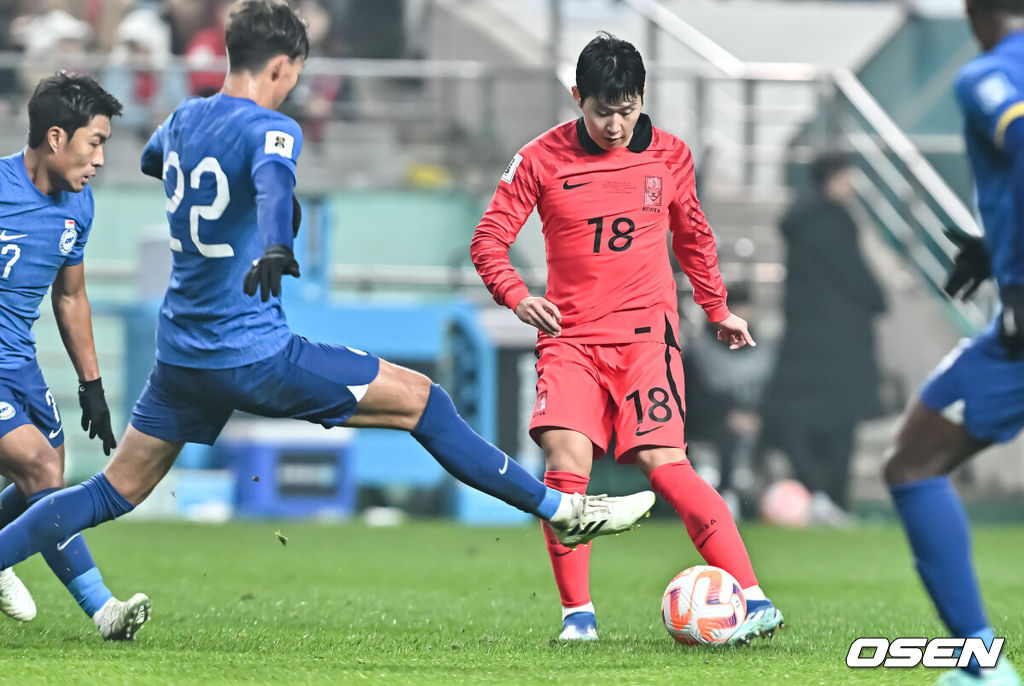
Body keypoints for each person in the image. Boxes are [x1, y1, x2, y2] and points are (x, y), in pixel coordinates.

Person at [0, 1, 656, 627]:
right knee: (424, 402)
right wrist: (278, 240)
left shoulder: (180, 123)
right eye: (296, 75)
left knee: (110, 493)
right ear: (282, 67)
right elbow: (273, 182)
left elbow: (158, 163)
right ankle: (561, 509)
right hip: (254, 353)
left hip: (181, 357)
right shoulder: (272, 128)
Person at [471, 32, 784, 644]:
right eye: (602, 109)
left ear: (642, 98)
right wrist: (518, 295)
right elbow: (488, 240)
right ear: (577, 98)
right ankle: (578, 620)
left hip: (647, 338)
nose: (616, 124)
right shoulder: (538, 158)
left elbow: (693, 237)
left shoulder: (669, 155)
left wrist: (717, 309)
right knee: (566, 466)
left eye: (628, 108)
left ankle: (753, 597)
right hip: (570, 339)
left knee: (665, 467)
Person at [883, 0, 1024, 683]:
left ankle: (981, 665)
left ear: (973, 11)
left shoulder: (988, 74)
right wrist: (995, 247)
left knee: (914, 462)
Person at [0, 72, 150, 640]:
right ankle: (102, 609)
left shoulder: (78, 205)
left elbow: (70, 294)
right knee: (39, 467)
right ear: (57, 137)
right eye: (96, 142)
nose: (101, 160)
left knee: (49, 474)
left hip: (20, 365)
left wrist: (92, 384)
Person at [761, 153, 887, 523]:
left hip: (802, 344)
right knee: (841, 425)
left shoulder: (799, 226)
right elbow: (859, 280)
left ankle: (810, 489)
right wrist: (877, 300)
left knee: (797, 418)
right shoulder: (835, 224)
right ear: (833, 180)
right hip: (839, 348)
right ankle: (833, 498)